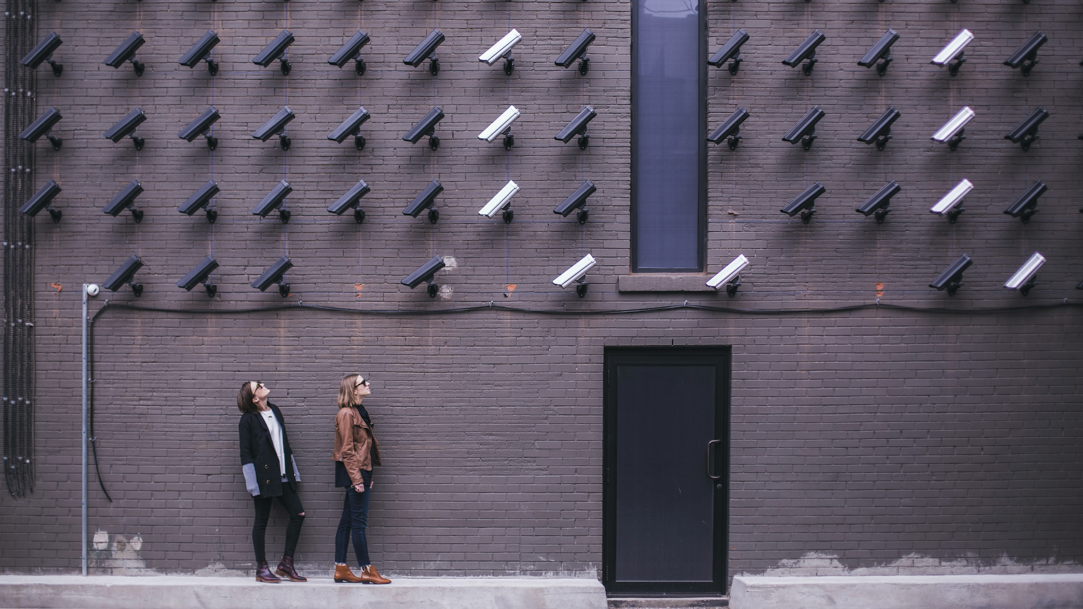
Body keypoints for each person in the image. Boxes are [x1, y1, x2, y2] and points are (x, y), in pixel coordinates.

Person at [238, 380, 307, 583]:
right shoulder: (247, 421)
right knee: (261, 521)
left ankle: (286, 564)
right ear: (254, 398)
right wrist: (252, 485)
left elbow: (284, 443)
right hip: (263, 479)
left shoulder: (275, 410)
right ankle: (261, 568)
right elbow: (246, 454)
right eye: (258, 386)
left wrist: (294, 472)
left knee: (298, 514)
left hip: (283, 475)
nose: (263, 385)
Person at [332, 373, 391, 584]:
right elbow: (347, 450)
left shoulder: (359, 410)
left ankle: (340, 568)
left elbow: (364, 448)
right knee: (358, 524)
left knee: (347, 522)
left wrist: (368, 474)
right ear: (353, 389)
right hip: (354, 473)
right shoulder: (346, 414)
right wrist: (358, 479)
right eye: (363, 382)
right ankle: (366, 569)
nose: (368, 384)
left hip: (360, 471)